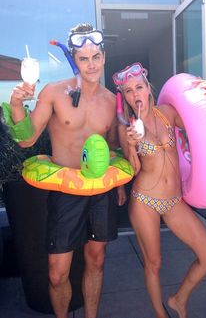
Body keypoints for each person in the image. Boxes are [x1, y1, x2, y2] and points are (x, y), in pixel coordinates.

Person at [7, 23, 126, 318]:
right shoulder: (54, 93)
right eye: (83, 59)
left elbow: (112, 147)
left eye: (95, 57)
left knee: (96, 260)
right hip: (66, 191)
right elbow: (26, 139)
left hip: (100, 190)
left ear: (104, 57)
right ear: (75, 59)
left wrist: (120, 185)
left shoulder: (112, 102)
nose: (91, 65)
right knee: (57, 272)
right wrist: (16, 104)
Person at [115, 62, 206, 318]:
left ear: (148, 88)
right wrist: (131, 147)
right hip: (144, 200)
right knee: (154, 263)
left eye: (138, 87)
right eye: (128, 91)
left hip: (173, 201)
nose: (135, 94)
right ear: (125, 97)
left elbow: (202, 129)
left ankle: (178, 299)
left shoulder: (168, 113)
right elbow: (135, 170)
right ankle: (161, 315)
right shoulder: (125, 127)